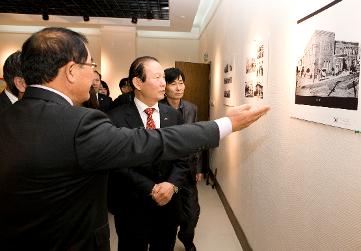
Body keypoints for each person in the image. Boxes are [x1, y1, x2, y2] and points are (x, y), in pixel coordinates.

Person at [0, 27, 269, 250]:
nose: (94, 76)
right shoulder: (81, 122)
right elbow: (152, 143)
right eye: (90, 65)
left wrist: (170, 186)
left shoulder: (8, 117)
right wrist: (226, 124)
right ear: (71, 70)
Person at [108, 57, 187, 251]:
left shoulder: (174, 115)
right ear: (137, 83)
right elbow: (116, 163)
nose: (163, 83)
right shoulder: (116, 118)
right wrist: (150, 188)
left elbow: (183, 157)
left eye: (163, 77)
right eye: (157, 77)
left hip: (168, 206)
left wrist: (171, 185)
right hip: (132, 207)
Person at [160, 68, 201, 251]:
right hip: (166, 170)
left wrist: (199, 167)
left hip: (188, 169)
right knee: (168, 213)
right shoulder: (157, 108)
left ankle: (186, 237)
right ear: (165, 86)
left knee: (192, 213)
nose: (178, 88)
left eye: (181, 82)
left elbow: (197, 140)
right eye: (173, 83)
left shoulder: (191, 108)